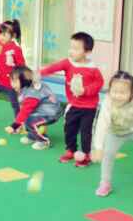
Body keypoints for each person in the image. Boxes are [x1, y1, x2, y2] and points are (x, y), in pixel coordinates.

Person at [40, 31, 104, 167]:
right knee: (69, 128)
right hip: (73, 105)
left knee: (86, 132)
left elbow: (99, 84)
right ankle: (71, 150)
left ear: (87, 52)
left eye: (76, 48)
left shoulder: (93, 69)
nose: (71, 51)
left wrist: (85, 91)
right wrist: (40, 73)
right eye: (71, 47)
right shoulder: (68, 63)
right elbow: (54, 67)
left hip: (89, 107)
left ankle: (86, 154)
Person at [5, 66, 64, 150]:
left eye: (14, 81)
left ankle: (44, 141)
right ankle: (32, 136)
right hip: (44, 110)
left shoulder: (32, 94)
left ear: (24, 80)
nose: (12, 84)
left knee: (30, 121)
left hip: (50, 114)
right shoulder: (28, 86)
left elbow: (25, 111)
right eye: (11, 81)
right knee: (27, 118)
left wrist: (14, 126)